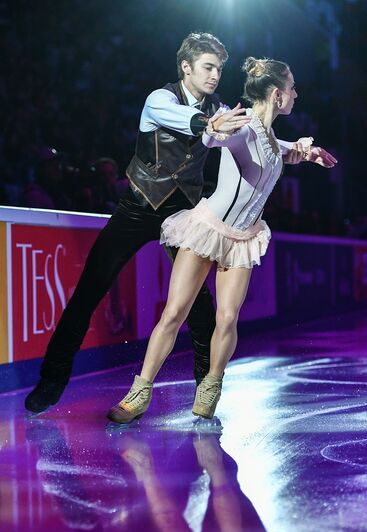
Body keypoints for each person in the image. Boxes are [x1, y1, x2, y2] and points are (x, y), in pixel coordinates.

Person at [25, 32, 250, 413]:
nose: (215, 75)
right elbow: (190, 121)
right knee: (89, 291)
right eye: (208, 67)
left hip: (184, 212)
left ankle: (204, 389)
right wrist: (212, 125)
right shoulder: (159, 100)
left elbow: (249, 136)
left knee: (198, 305)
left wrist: (294, 148)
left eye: (219, 69)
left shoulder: (220, 109)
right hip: (138, 207)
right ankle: (52, 378)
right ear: (186, 67)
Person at [107, 56, 337, 424]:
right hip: (209, 230)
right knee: (174, 313)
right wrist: (213, 128)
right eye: (292, 87)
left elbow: (279, 148)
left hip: (243, 237)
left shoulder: (268, 136)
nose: (297, 93)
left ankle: (210, 388)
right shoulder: (242, 127)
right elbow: (216, 137)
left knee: (227, 318)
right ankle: (139, 393)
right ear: (278, 95)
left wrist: (307, 153)